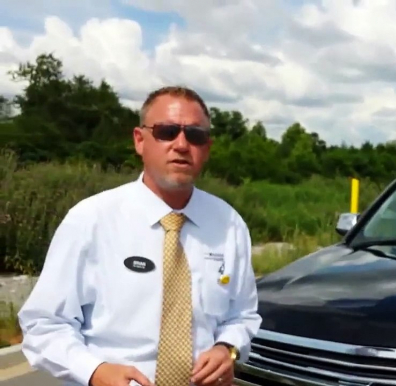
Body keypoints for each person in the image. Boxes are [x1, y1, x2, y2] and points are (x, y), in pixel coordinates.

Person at [17, 86, 263, 386]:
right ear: (139, 140)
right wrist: (95, 372)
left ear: (206, 148)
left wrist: (228, 348)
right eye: (167, 131)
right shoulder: (91, 220)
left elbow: (243, 315)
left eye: (195, 135)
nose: (182, 144)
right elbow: (44, 324)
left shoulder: (229, 225)